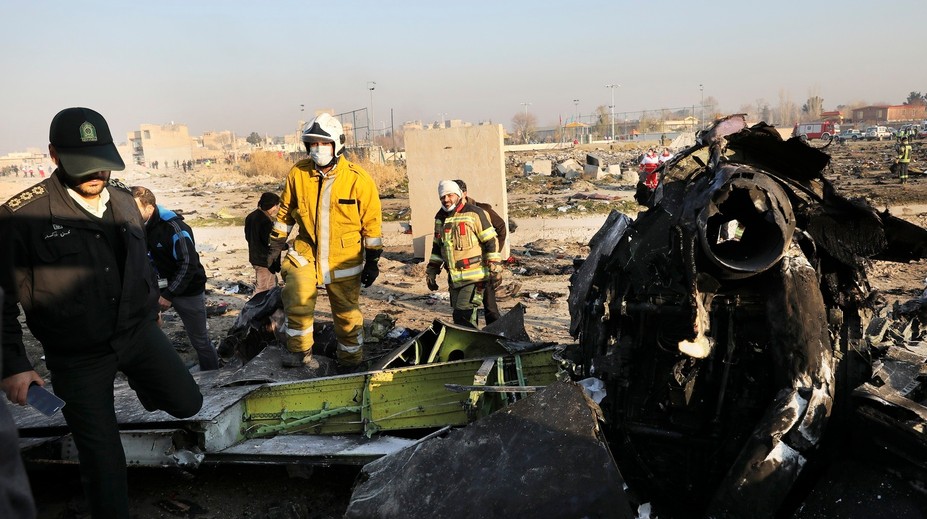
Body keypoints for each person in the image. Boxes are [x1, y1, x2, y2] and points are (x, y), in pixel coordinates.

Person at [0, 107, 202, 518]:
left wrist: (149, 303)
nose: (96, 175)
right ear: (54, 156)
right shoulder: (21, 217)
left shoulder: (125, 201)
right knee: (103, 460)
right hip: (77, 357)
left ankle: (145, 383)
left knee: (188, 402)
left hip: (136, 333)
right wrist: (13, 365)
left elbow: (138, 262)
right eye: (83, 166)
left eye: (103, 164)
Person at [268, 113, 383, 368]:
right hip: (306, 250)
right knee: (297, 298)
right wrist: (276, 246)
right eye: (313, 144)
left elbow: (372, 226)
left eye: (323, 143)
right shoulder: (298, 173)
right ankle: (299, 354)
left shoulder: (358, 179)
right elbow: (285, 213)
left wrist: (373, 260)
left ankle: (350, 361)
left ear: (337, 144)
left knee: (347, 316)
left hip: (343, 258)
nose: (317, 149)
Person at [132, 186, 218, 371]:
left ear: (149, 208)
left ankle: (212, 373)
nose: (131, 214)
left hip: (187, 291)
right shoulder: (139, 227)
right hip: (159, 290)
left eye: (135, 209)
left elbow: (188, 264)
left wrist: (169, 294)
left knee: (200, 340)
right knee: (152, 336)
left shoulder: (175, 228)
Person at [425, 180, 502, 328]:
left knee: (462, 314)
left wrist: (495, 267)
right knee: (464, 318)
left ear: (459, 195)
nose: (446, 200)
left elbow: (490, 241)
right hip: (454, 280)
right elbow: (437, 247)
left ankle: (474, 345)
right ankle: (474, 345)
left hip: (474, 277)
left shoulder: (475, 213)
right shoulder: (440, 217)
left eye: (450, 195)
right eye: (442, 197)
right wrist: (432, 271)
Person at [453, 179, 507, 324]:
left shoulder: (481, 209)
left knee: (489, 303)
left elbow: (501, 228)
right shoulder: (451, 213)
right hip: (467, 268)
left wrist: (493, 254)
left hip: (484, 264)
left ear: (464, 193)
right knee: (468, 305)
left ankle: (495, 330)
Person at [245, 192, 281, 293]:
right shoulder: (264, 220)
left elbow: (248, 237)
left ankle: (267, 307)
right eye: (276, 205)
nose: (277, 208)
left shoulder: (251, 216)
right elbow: (269, 241)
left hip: (255, 256)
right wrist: (285, 245)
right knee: (262, 289)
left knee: (270, 287)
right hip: (264, 260)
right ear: (270, 205)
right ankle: (255, 308)